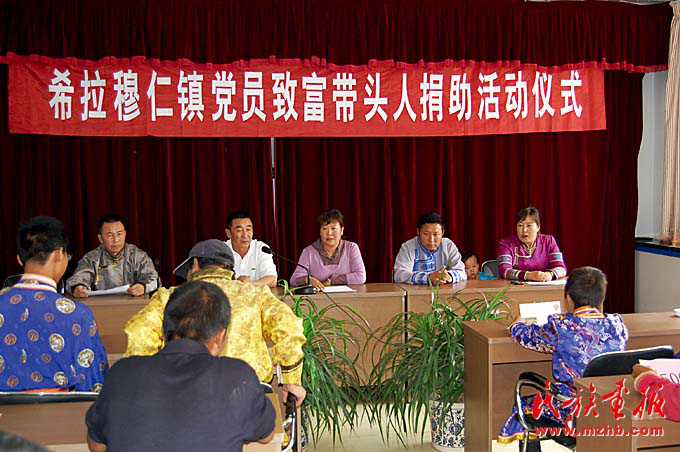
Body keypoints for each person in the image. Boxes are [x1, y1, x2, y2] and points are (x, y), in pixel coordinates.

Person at [86, 280, 276, 452]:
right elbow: (266, 436)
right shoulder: (237, 377)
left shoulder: (122, 373)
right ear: (220, 336)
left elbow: (96, 445)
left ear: (164, 330)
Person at [124, 239, 306, 404]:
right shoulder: (255, 294)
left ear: (195, 264)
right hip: (247, 395)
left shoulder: (169, 297)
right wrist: (291, 380)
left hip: (186, 396)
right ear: (230, 269)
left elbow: (140, 332)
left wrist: (144, 381)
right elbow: (289, 328)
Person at [497, 267, 629, 450]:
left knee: (527, 405)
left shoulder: (562, 326)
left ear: (568, 299)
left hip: (573, 410)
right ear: (602, 298)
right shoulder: (617, 325)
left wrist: (517, 324)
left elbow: (526, 336)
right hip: (612, 406)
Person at [0, 216, 107, 392]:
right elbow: (93, 385)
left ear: (19, 259)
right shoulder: (77, 314)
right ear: (58, 254)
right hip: (59, 409)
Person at [66, 214, 160, 298]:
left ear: (125, 234)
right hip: (101, 306)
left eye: (119, 234)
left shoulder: (137, 255)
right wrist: (78, 288)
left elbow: (154, 278)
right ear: (100, 238)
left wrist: (143, 286)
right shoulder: (92, 258)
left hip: (133, 305)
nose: (116, 240)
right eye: (110, 235)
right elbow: (77, 280)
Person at [291, 209, 366, 290]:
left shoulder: (351, 248)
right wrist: (306, 279)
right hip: (319, 297)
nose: (329, 233)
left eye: (333, 228)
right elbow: (293, 280)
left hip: (348, 297)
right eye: (324, 228)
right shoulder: (308, 252)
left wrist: (332, 280)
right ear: (320, 232)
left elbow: (361, 277)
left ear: (342, 230)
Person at [393, 212, 466, 285]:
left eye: (435, 234)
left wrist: (448, 276)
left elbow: (462, 272)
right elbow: (399, 275)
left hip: (444, 290)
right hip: (414, 291)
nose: (431, 239)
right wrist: (428, 278)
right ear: (418, 232)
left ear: (442, 232)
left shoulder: (448, 246)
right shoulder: (408, 247)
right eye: (426, 234)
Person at [497, 206, 567, 282]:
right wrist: (528, 275)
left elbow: (561, 268)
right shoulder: (506, 244)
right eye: (520, 225)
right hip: (516, 287)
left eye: (529, 225)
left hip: (543, 285)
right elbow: (504, 271)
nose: (524, 230)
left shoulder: (549, 241)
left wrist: (550, 274)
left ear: (538, 227)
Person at [224, 211, 277, 288]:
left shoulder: (261, 248)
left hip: (256, 295)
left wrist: (249, 285)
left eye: (248, 229)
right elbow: (214, 281)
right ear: (228, 233)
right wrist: (235, 284)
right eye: (239, 230)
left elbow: (272, 280)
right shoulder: (221, 250)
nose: (245, 235)